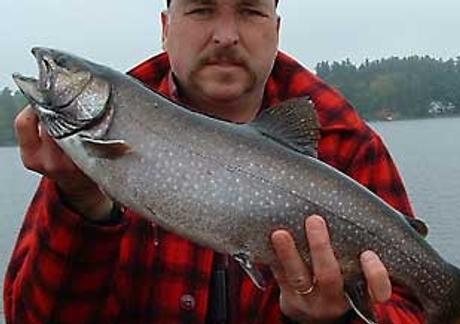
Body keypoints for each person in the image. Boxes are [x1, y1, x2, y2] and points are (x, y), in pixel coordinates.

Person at [4, 0, 425, 323]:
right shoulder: (101, 139)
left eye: (249, 11)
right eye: (202, 8)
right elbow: (34, 316)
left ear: (276, 29)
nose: (226, 35)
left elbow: (412, 313)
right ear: (166, 28)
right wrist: (81, 205)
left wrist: (340, 318)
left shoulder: (348, 146)